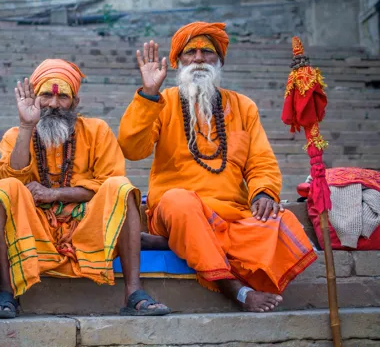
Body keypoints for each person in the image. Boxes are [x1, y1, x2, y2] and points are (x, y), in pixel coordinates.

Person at [118, 22, 317, 312]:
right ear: (178, 61)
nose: (199, 58)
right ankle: (236, 290)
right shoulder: (163, 102)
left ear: (219, 60)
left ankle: (176, 243)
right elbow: (132, 149)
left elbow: (261, 161)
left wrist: (263, 193)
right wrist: (148, 93)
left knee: (281, 222)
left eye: (207, 52)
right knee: (180, 202)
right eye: (190, 52)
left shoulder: (243, 106)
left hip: (229, 214)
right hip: (176, 209)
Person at [0, 59, 170, 318]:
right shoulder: (16, 135)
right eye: (46, 95)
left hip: (88, 227)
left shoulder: (97, 131)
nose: (53, 104)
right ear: (35, 98)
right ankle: (7, 292)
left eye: (63, 97)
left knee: (122, 186)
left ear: (75, 102)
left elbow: (108, 181)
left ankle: (133, 292)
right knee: (5, 189)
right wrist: (27, 126)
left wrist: (56, 194)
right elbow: (11, 178)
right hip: (38, 225)